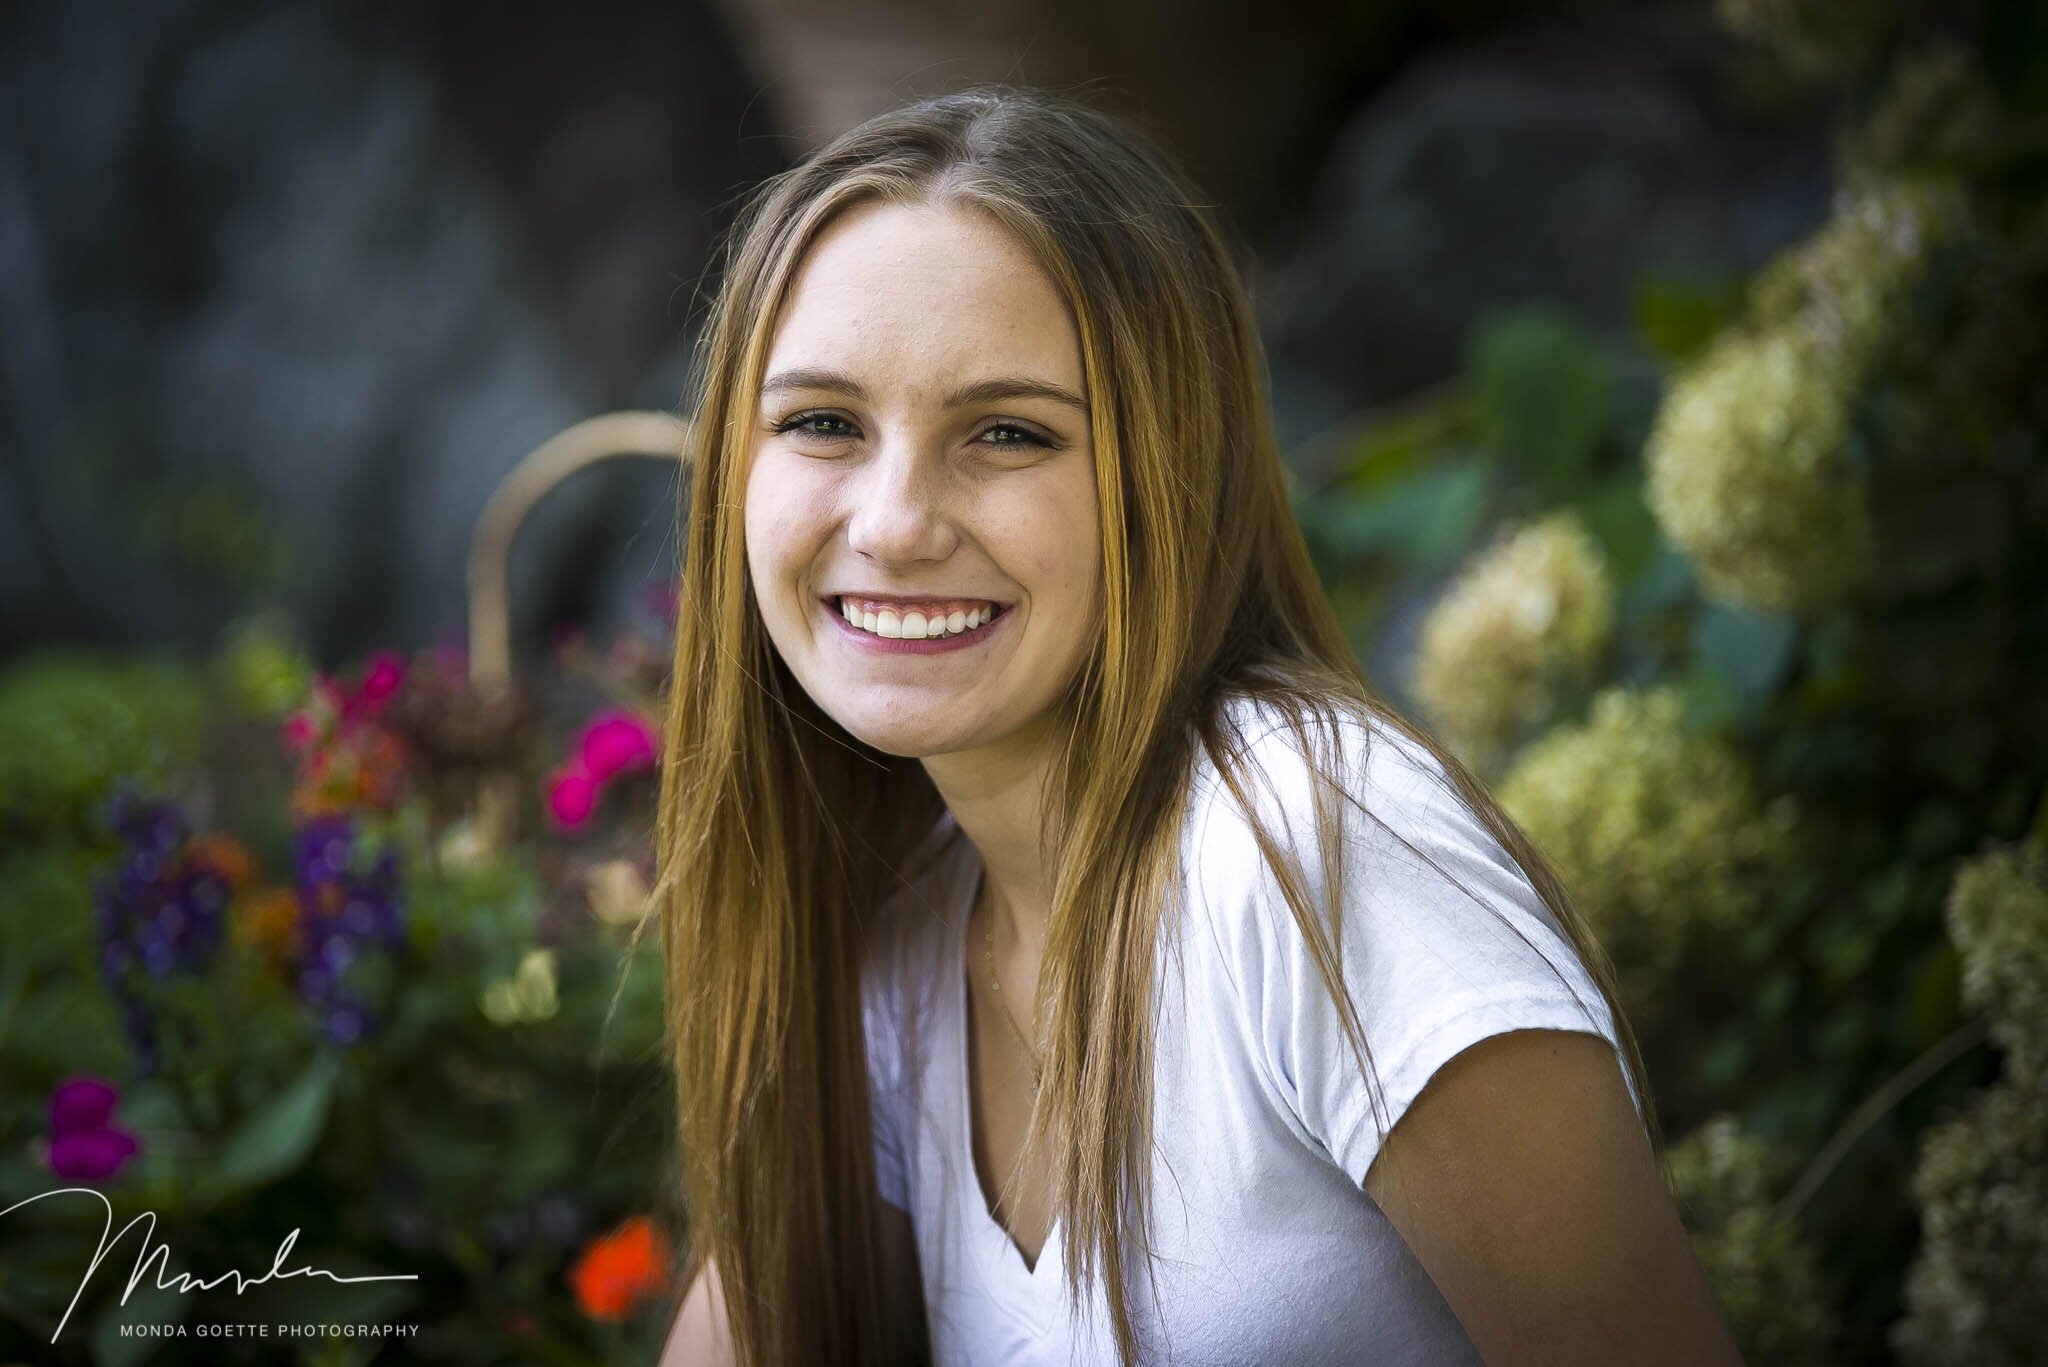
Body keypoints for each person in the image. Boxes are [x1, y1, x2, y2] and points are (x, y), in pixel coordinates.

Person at [655, 84, 1742, 1366]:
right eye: (823, 423)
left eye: (1007, 433)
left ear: (1167, 478)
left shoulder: (1309, 848)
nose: (893, 522)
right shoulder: (899, 960)